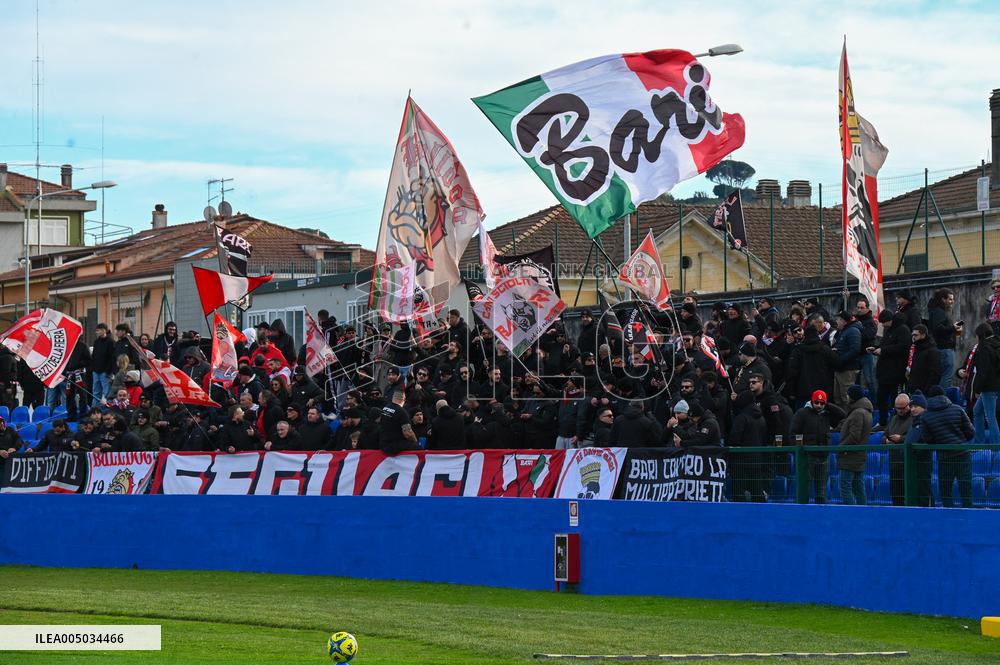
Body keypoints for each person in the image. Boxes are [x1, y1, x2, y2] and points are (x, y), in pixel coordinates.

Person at [921, 385, 974, 508]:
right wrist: (960, 441)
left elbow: (927, 439)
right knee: (966, 488)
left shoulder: (926, 415)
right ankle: (969, 515)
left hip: (944, 456)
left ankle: (948, 518)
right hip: (963, 453)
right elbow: (971, 432)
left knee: (945, 490)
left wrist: (940, 442)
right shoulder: (958, 409)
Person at [791, 390, 845, 504]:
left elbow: (843, 415)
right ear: (811, 401)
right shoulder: (802, 413)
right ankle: (802, 511)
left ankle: (821, 513)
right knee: (805, 486)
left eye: (822, 403)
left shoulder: (827, 414)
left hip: (823, 456)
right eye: (816, 402)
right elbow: (793, 433)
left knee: (821, 490)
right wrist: (802, 447)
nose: (819, 405)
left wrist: (828, 404)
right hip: (807, 456)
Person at [961, 323, 1000, 446]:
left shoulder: (984, 349)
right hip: (996, 385)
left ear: (980, 335)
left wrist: (977, 389)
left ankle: (995, 447)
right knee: (977, 411)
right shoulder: (997, 345)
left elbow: (983, 372)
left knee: (990, 417)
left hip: (988, 387)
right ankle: (980, 442)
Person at [872, 311, 911, 427]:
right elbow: (886, 345)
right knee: (881, 399)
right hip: (884, 372)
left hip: (896, 372)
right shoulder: (888, 330)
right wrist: (876, 348)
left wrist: (883, 351)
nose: (883, 325)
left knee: (895, 398)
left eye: (884, 322)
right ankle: (883, 422)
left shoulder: (903, 330)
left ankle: (896, 423)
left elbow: (903, 347)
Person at [727, 390, 767, 502]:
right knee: (757, 492)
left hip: (741, 461)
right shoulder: (761, 418)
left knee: (739, 492)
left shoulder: (742, 418)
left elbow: (734, 439)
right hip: (757, 460)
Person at [838, 384, 873, 505]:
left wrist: (840, 448)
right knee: (858, 487)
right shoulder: (865, 411)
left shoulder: (858, 413)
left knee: (846, 487)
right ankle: (862, 512)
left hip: (850, 456)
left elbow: (854, 436)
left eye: (848, 394)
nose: (846, 396)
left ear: (853, 397)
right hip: (859, 455)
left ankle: (851, 513)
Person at [882, 394, 913, 506]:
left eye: (902, 408)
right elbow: (884, 434)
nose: (900, 411)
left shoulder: (914, 419)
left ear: (909, 405)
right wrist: (886, 440)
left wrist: (900, 439)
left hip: (909, 464)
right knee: (896, 495)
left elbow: (916, 437)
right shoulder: (893, 419)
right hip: (894, 463)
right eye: (897, 408)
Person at [926, 288, 960, 388]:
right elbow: (938, 328)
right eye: (950, 299)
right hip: (944, 348)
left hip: (942, 347)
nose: (952, 301)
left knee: (942, 375)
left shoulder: (936, 310)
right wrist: (953, 328)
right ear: (943, 299)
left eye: (953, 299)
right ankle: (942, 399)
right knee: (947, 376)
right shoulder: (939, 311)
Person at [903, 392, 933, 506]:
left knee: (924, 489)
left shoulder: (925, 422)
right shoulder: (913, 423)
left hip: (922, 462)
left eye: (916, 406)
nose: (912, 409)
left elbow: (926, 441)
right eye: (911, 406)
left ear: (923, 407)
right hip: (912, 463)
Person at [832, 310, 862, 409]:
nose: (837, 321)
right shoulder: (842, 331)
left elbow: (855, 350)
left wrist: (840, 359)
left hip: (848, 370)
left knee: (846, 398)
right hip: (839, 368)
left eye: (839, 319)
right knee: (838, 397)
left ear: (845, 321)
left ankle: (849, 419)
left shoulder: (853, 331)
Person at [379, 390, 419, 455]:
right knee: (418, 447)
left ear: (393, 397)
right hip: (394, 446)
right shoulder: (402, 412)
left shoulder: (385, 408)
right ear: (404, 399)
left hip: (383, 443)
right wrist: (416, 442)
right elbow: (408, 433)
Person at [906, 325, 941, 396]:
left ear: (923, 335)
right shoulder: (917, 348)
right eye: (913, 335)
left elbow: (935, 374)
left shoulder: (932, 351)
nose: (913, 337)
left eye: (916, 335)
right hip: (914, 390)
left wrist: (926, 391)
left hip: (924, 392)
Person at [855, 297, 878, 394]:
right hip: (856, 354)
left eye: (862, 308)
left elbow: (867, 335)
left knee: (870, 380)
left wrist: (857, 331)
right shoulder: (855, 320)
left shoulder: (871, 322)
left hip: (866, 354)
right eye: (858, 307)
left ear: (867, 308)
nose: (859, 310)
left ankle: (875, 404)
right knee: (856, 381)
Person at [90, 323, 116, 405]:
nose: (96, 332)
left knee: (106, 393)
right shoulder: (96, 342)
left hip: (105, 372)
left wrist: (108, 371)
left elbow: (112, 357)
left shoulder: (111, 342)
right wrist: (93, 368)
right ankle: (94, 411)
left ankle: (105, 410)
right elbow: (94, 356)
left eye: (98, 330)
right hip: (96, 371)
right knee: (96, 392)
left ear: (104, 330)